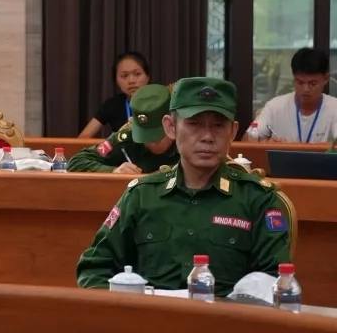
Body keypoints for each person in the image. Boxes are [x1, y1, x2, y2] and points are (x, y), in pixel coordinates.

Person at [76, 77, 292, 296]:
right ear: (170, 127)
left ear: (233, 132)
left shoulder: (258, 199)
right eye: (194, 124)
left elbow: (277, 282)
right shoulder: (141, 195)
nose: (207, 137)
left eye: (218, 125)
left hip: (226, 315)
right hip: (151, 315)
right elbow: (94, 269)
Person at [67, 84, 178, 174]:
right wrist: (114, 171)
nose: (150, 143)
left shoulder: (185, 138)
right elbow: (77, 162)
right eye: (144, 136)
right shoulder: (126, 136)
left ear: (171, 125)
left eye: (156, 137)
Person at [249, 48, 336, 144]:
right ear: (294, 79)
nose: (306, 89)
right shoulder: (275, 107)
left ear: (326, 79)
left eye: (313, 84)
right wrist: (266, 143)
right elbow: (247, 141)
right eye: (300, 82)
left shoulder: (334, 108)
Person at [78, 51, 152, 138]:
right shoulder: (112, 105)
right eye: (124, 76)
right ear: (116, 80)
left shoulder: (160, 102)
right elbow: (82, 139)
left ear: (147, 77)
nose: (131, 80)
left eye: (137, 74)